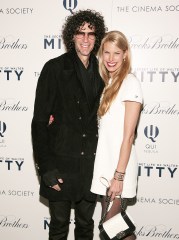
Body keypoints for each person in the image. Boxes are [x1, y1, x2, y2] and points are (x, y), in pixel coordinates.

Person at [31, 9, 106, 240]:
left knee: (86, 226)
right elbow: (39, 123)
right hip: (60, 164)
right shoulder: (54, 68)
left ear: (98, 37)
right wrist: (46, 169)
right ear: (71, 36)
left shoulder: (105, 71)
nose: (85, 39)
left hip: (91, 165)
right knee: (59, 226)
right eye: (80, 33)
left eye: (91, 34)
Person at [90, 31, 143, 239]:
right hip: (106, 167)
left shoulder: (130, 83)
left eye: (117, 53)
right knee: (111, 227)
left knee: (114, 228)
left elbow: (129, 136)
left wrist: (119, 176)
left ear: (125, 55)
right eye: (107, 53)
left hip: (119, 168)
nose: (111, 59)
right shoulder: (109, 84)